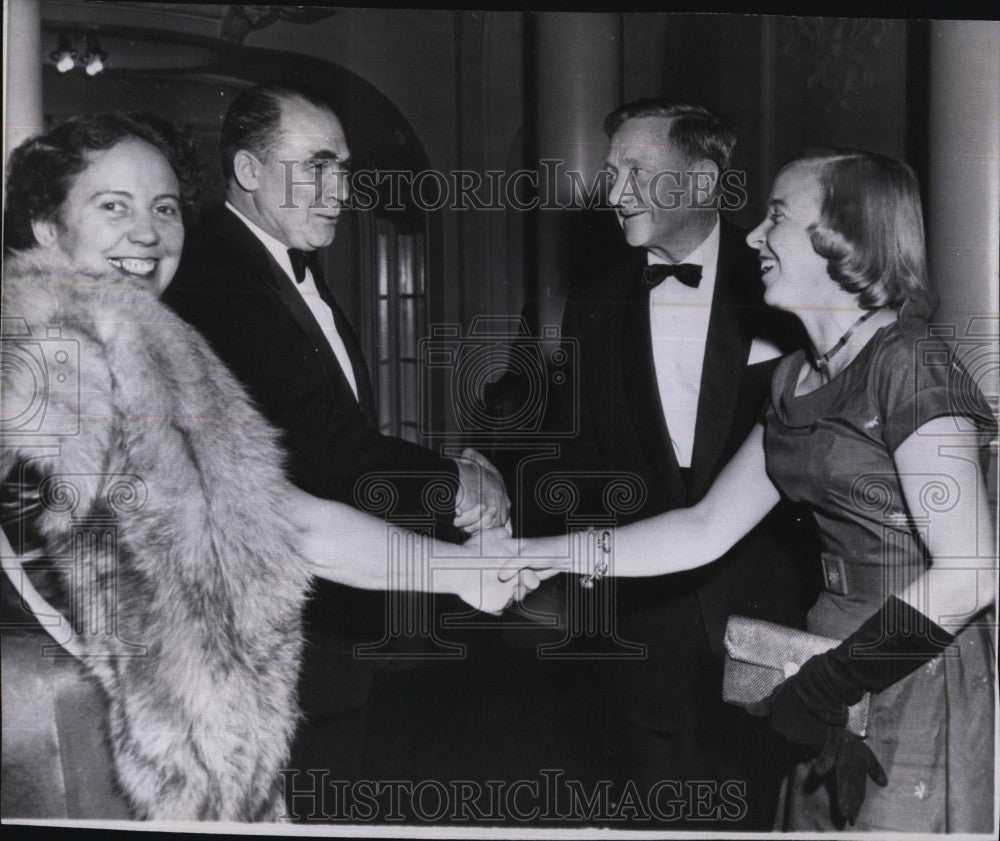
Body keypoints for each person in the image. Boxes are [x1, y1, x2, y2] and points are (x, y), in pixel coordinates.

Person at [0, 113, 538, 821]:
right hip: (100, 733)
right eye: (113, 206)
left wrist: (456, 570)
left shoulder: (88, 339)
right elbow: (290, 526)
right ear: (46, 224)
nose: (148, 233)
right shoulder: (87, 351)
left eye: (164, 208)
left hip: (114, 715)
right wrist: (459, 570)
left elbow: (268, 511)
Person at [514, 148, 996, 832]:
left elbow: (971, 573)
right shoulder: (795, 375)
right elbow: (704, 525)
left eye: (776, 217)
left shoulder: (908, 361)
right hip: (825, 659)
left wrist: (834, 681)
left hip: (907, 662)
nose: (751, 236)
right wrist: (554, 553)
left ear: (845, 232)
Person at [160, 82, 512, 786]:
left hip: (319, 635)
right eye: (317, 165)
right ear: (250, 171)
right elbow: (320, 457)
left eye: (344, 168)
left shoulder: (272, 271)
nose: (340, 189)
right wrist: (457, 485)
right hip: (264, 644)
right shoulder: (215, 280)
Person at [515, 99, 816, 827]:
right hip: (645, 621)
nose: (613, 192)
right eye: (612, 171)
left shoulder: (784, 283)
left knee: (776, 801)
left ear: (703, 178)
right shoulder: (595, 300)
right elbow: (577, 447)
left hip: (774, 609)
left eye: (636, 172)